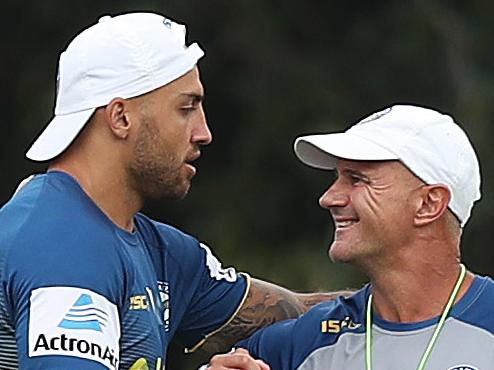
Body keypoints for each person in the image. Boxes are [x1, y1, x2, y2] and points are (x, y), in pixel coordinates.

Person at [0, 12, 348, 370]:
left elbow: (292, 311)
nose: (204, 132)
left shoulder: (158, 251)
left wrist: (400, 297)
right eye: (187, 108)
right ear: (121, 117)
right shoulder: (65, 249)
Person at [204, 104, 494, 370]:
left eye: (357, 179)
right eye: (337, 179)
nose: (328, 198)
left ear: (429, 204)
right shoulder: (296, 345)